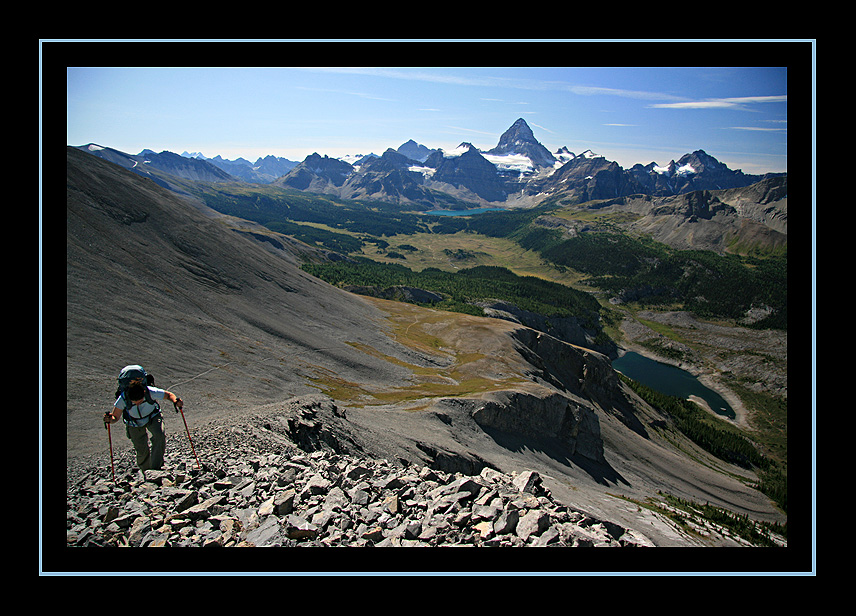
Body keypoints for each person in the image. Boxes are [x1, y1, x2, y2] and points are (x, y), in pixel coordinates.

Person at [104, 372, 183, 472]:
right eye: (134, 402)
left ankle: (156, 469)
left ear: (144, 393)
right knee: (141, 449)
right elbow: (115, 416)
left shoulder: (150, 391)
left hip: (152, 416)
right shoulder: (124, 398)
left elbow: (168, 395)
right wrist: (110, 420)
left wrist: (175, 401)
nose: (137, 404)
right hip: (133, 422)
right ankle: (146, 471)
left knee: (159, 436)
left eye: (140, 401)